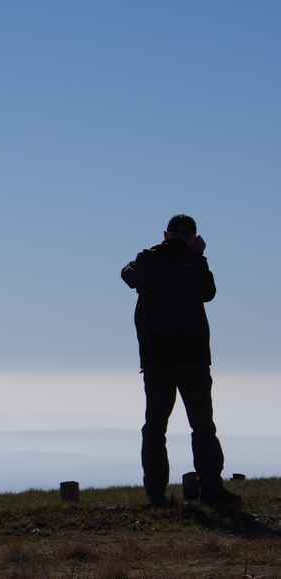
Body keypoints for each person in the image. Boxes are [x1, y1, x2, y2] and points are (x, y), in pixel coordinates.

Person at [121, 214, 240, 509]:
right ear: (193, 237)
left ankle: (157, 494)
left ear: (165, 234)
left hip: (157, 359)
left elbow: (128, 275)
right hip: (193, 358)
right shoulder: (193, 261)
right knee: (202, 425)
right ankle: (211, 489)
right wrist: (198, 257)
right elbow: (208, 292)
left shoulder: (149, 259)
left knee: (155, 425)